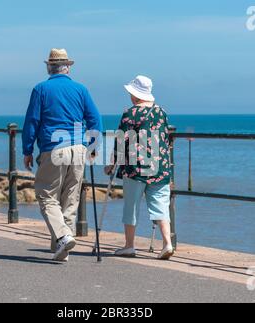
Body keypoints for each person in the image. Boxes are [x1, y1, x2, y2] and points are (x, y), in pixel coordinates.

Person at [22, 49, 102, 262]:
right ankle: (61, 246)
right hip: (78, 147)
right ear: (68, 67)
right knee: (70, 196)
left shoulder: (41, 89)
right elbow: (94, 118)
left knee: (47, 195)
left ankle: (63, 237)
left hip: (53, 146)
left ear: (49, 66)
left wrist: (27, 150)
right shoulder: (80, 89)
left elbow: (32, 122)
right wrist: (93, 147)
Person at [105, 75, 174, 260]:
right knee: (160, 205)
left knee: (131, 206)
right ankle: (167, 243)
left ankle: (129, 246)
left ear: (135, 95)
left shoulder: (130, 113)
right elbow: (166, 139)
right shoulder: (162, 112)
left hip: (135, 167)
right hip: (160, 166)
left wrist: (111, 164)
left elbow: (121, 141)